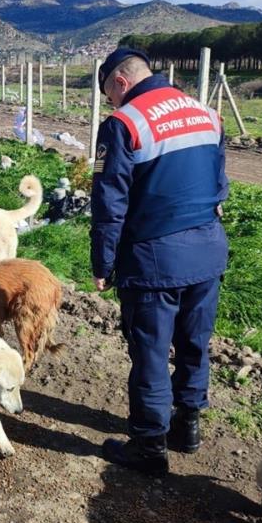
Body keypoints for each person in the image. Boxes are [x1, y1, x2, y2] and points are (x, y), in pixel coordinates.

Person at [90, 47, 229, 475]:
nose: (114, 104)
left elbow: (110, 203)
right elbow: (220, 184)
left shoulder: (124, 123)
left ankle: (150, 446)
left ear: (120, 83)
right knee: (193, 342)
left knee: (150, 351)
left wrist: (103, 264)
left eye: (111, 95)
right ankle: (187, 427)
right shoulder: (207, 114)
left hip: (154, 259)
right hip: (207, 251)